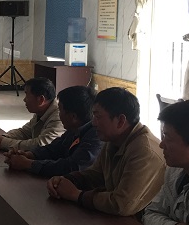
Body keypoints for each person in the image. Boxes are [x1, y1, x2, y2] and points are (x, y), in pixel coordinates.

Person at [46, 87, 165, 216]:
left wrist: (76, 195)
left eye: (98, 117)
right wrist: (65, 180)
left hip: (140, 223)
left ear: (120, 121)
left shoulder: (144, 151)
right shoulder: (114, 140)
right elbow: (95, 175)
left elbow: (121, 204)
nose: (93, 123)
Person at [5, 85, 102, 177]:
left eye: (60, 110)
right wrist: (29, 155)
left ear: (73, 117)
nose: (59, 115)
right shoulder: (74, 129)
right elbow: (54, 148)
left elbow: (71, 167)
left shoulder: (96, 136)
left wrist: (28, 164)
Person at [0, 77, 64, 151]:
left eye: (27, 95)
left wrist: (3, 143)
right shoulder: (42, 111)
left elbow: (40, 145)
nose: (24, 100)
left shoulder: (59, 117)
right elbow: (24, 132)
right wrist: (3, 137)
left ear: (41, 99)